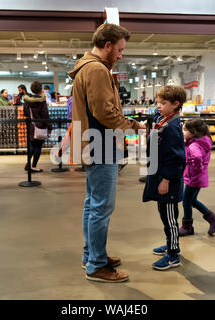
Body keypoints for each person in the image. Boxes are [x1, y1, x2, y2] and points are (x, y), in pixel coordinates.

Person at [68, 23, 144, 283]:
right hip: (101, 144)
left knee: (93, 204)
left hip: (92, 143)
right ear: (108, 45)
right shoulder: (97, 70)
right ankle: (97, 265)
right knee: (102, 206)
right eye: (120, 50)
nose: (121, 55)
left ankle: (92, 254)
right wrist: (135, 126)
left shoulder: (85, 68)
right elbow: (105, 113)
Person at [142, 85, 186, 271]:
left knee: (170, 217)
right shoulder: (163, 120)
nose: (158, 106)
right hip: (159, 174)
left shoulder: (173, 127)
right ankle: (170, 244)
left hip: (168, 181)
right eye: (158, 102)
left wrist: (166, 179)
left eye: (163, 103)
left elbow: (176, 159)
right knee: (164, 214)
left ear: (176, 104)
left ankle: (173, 254)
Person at [179, 118, 215, 236]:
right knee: (191, 200)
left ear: (193, 132)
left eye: (185, 130)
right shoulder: (201, 142)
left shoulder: (194, 145)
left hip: (193, 177)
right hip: (198, 177)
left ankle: (187, 226)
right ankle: (213, 218)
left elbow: (197, 158)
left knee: (186, 201)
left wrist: (194, 170)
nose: (183, 132)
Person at [23, 81, 52, 173]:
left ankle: (28, 163)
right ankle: (33, 166)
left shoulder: (27, 100)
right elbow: (45, 115)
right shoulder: (42, 101)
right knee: (38, 147)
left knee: (32, 145)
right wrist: (50, 127)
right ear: (40, 89)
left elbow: (25, 113)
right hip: (40, 126)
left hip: (31, 125)